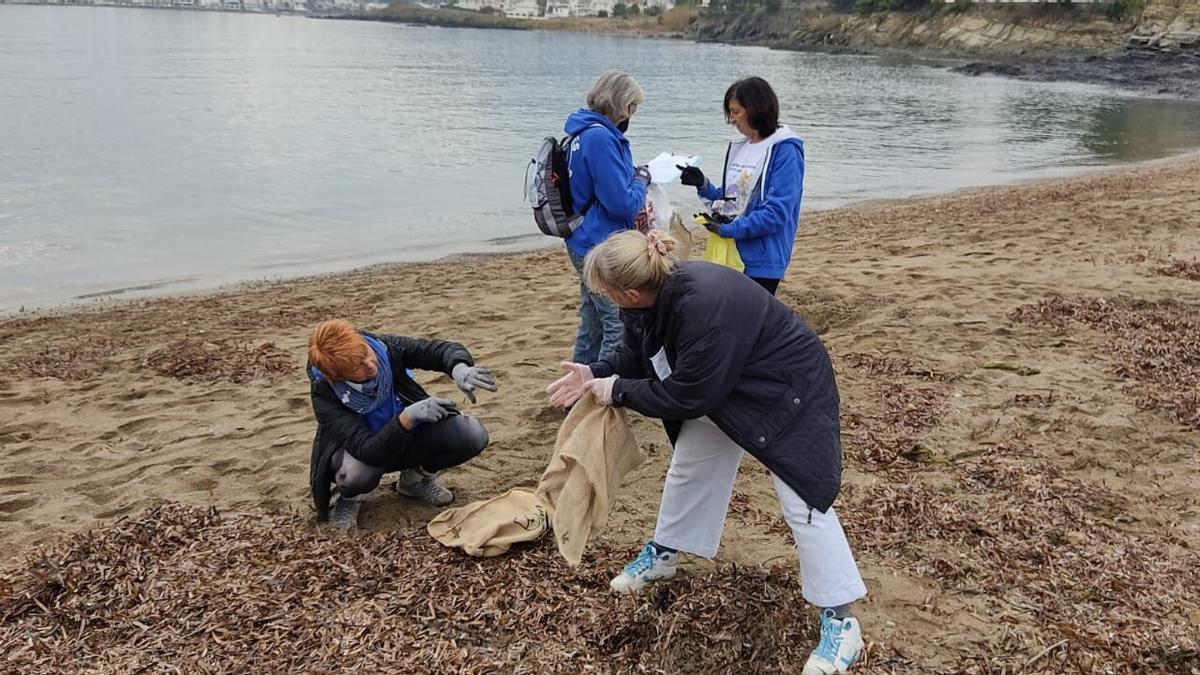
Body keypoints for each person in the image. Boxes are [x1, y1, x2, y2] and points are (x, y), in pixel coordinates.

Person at [546, 231, 866, 675]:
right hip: (727, 384)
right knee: (690, 468)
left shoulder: (703, 309)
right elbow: (638, 355)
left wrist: (616, 390)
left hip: (788, 391)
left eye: (606, 289)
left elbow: (686, 396)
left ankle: (842, 620)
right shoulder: (650, 297)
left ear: (633, 290)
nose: (602, 296)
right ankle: (665, 554)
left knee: (805, 501)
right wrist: (595, 372)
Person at [307, 319, 497, 529]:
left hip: (405, 439)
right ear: (338, 376)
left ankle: (413, 482)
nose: (371, 366)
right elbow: (367, 450)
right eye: (357, 367)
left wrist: (459, 368)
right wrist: (407, 417)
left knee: (471, 434)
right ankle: (350, 499)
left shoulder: (384, 349)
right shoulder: (324, 393)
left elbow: (436, 350)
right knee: (355, 475)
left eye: (366, 354)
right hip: (366, 454)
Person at [679, 76, 805, 296]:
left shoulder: (785, 150)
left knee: (748, 324)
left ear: (755, 109)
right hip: (733, 253)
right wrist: (703, 184)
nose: (731, 120)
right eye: (730, 113)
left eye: (736, 112)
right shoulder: (742, 147)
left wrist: (729, 230)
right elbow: (733, 199)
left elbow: (777, 212)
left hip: (762, 260)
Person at [562, 70, 653, 364]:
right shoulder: (601, 138)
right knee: (616, 322)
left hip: (581, 238)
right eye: (633, 107)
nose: (633, 115)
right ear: (623, 106)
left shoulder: (582, 132)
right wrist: (641, 180)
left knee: (592, 323)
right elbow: (622, 204)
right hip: (599, 243)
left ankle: (576, 391)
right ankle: (597, 394)